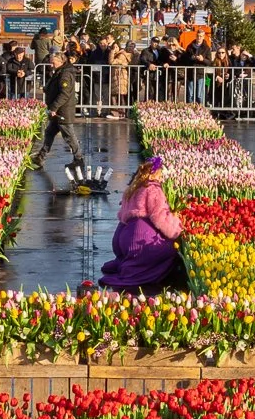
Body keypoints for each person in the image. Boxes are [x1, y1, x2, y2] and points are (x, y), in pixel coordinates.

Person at [97, 157, 186, 295]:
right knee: (169, 249)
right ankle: (135, 272)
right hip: (139, 239)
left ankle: (125, 264)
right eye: (160, 175)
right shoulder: (153, 189)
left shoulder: (133, 188)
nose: (162, 178)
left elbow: (122, 215)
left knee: (132, 258)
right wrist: (178, 230)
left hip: (123, 235)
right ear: (154, 174)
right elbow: (160, 217)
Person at [35, 57, 84, 166]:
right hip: (59, 111)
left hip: (63, 111)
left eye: (53, 62)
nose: (51, 64)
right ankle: (41, 156)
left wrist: (54, 107)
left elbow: (64, 94)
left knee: (69, 136)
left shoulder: (65, 74)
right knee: (49, 133)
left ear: (61, 62)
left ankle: (79, 159)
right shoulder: (60, 72)